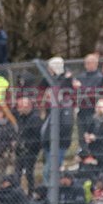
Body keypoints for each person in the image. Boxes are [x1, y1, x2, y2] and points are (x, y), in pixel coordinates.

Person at [41, 56, 75, 184]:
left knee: (49, 171)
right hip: (49, 140)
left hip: (58, 142)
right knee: (47, 170)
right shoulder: (53, 81)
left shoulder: (65, 87)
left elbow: (66, 124)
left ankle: (50, 199)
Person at [73, 53, 103, 141]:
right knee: (82, 136)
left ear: (96, 63)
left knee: (92, 136)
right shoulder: (81, 76)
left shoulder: (99, 77)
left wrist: (81, 87)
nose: (87, 65)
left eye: (90, 62)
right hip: (81, 111)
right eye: (86, 63)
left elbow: (95, 93)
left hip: (93, 111)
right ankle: (83, 153)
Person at [14, 97, 42, 195]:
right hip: (21, 149)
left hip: (30, 150)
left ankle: (31, 192)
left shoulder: (34, 119)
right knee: (17, 171)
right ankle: (16, 192)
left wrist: (28, 146)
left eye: (20, 107)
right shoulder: (22, 117)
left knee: (28, 172)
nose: (18, 109)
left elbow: (36, 136)